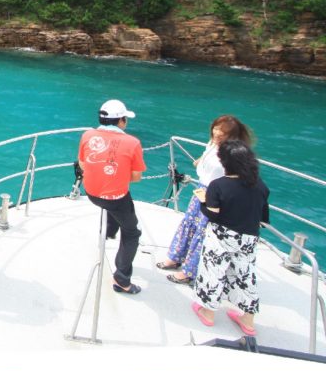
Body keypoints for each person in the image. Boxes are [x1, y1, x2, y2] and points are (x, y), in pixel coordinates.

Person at [157, 115, 254, 284]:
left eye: (222, 132)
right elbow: (207, 155)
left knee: (203, 230)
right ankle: (175, 257)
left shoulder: (233, 153)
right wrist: (200, 161)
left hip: (217, 193)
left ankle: (189, 271)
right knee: (189, 223)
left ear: (232, 135)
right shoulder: (212, 144)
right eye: (216, 129)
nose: (217, 133)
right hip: (201, 189)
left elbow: (239, 176)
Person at [191, 139, 269, 337]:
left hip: (221, 236)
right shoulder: (260, 186)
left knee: (213, 271)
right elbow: (263, 218)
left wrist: (203, 201)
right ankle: (248, 320)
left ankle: (208, 313)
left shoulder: (219, 185)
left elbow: (213, 213)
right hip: (248, 238)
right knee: (246, 276)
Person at [78, 98, 146, 294]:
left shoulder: (87, 135)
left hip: (91, 192)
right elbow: (136, 177)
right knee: (132, 232)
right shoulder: (133, 142)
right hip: (115, 198)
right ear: (121, 120)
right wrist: (117, 174)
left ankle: (108, 231)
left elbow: (82, 164)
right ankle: (122, 279)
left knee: (113, 204)